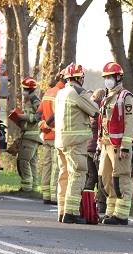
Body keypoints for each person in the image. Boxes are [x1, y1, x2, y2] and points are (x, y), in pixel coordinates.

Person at [54, 63, 99, 224]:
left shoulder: (61, 93)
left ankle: (62, 211)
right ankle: (71, 212)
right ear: (80, 78)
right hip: (75, 141)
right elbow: (95, 110)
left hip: (60, 141)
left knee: (64, 175)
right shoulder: (78, 92)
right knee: (78, 173)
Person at [97, 62, 133, 225]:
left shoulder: (125, 96)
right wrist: (100, 142)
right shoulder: (108, 96)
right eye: (105, 77)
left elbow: (130, 123)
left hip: (119, 146)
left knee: (120, 179)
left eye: (110, 77)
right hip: (107, 145)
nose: (107, 80)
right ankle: (110, 211)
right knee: (106, 178)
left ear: (118, 77)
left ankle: (121, 215)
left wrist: (126, 146)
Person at [36, 70, 65, 205]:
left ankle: (46, 195)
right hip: (56, 136)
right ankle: (54, 196)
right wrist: (48, 126)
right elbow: (57, 115)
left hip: (47, 136)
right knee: (56, 166)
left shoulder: (48, 92)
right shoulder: (62, 94)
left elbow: (39, 114)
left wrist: (44, 127)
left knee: (47, 165)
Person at [16, 77, 42, 192]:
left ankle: (26, 187)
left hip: (31, 136)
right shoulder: (29, 100)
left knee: (23, 160)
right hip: (31, 135)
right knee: (32, 162)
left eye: (26, 89)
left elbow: (39, 116)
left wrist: (23, 117)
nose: (24, 91)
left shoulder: (35, 101)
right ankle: (33, 187)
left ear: (31, 89)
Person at [86, 88, 106, 191]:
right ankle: (100, 200)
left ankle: (85, 199)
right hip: (97, 147)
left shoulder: (88, 106)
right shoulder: (102, 107)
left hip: (88, 145)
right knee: (100, 175)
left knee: (91, 175)